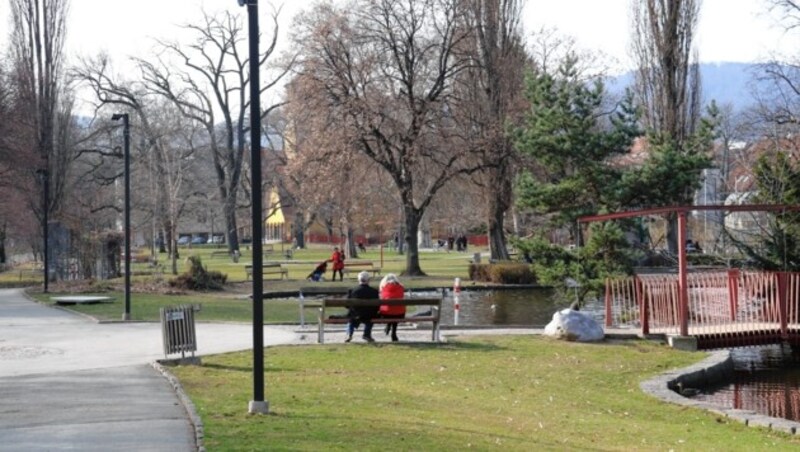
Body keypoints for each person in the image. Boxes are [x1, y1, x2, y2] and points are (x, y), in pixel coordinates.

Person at [345, 271, 380, 343]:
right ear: (368, 280)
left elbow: (347, 305)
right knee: (370, 317)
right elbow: (377, 306)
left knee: (351, 317)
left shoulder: (352, 291)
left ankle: (349, 334)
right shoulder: (374, 291)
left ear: (359, 280)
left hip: (355, 314)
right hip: (369, 315)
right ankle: (367, 334)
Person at [379, 273, 405, 342]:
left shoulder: (383, 287)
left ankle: (388, 326)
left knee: (389, 310)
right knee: (395, 310)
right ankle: (394, 333)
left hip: (386, 315)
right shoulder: (401, 287)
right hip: (400, 314)